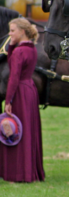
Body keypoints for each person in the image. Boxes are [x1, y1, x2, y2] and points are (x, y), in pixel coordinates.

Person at [0, 18, 45, 182]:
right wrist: (11, 44)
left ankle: (18, 173)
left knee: (16, 130)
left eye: (12, 31)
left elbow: (13, 77)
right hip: (30, 90)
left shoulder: (20, 52)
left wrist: (8, 100)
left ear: (22, 31)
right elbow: (13, 64)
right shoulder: (31, 48)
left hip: (19, 91)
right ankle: (30, 171)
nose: (10, 34)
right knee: (27, 129)